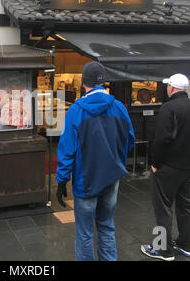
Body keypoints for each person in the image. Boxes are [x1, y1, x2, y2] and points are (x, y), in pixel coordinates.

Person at [56, 61, 135, 261]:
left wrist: (62, 180)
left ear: (84, 83)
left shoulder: (76, 110)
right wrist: (116, 160)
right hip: (112, 177)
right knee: (107, 226)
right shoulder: (119, 108)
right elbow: (130, 139)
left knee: (84, 232)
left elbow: (67, 149)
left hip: (85, 180)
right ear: (103, 82)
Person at [141, 73, 190, 261]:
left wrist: (154, 163)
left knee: (163, 208)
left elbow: (162, 139)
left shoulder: (168, 108)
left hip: (168, 168)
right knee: (187, 206)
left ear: (171, 87)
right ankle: (186, 245)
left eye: (167, 85)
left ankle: (163, 250)